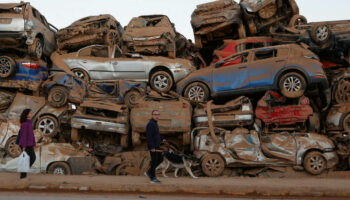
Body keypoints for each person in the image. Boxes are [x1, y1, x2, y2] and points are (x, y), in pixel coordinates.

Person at [145, 110, 167, 183]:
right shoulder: (150, 124)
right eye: (155, 114)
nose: (157, 116)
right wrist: (151, 147)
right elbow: (149, 137)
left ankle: (149, 172)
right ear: (152, 115)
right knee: (154, 162)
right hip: (153, 147)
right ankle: (152, 178)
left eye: (158, 114)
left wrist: (162, 139)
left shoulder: (155, 123)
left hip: (157, 146)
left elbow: (157, 134)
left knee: (160, 159)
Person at [18, 109, 36, 179]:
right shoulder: (24, 124)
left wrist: (34, 143)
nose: (31, 114)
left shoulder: (29, 123)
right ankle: (23, 176)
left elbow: (32, 135)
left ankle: (23, 172)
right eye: (30, 113)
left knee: (32, 158)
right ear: (26, 115)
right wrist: (24, 146)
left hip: (30, 144)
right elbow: (24, 136)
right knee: (27, 159)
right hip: (25, 145)